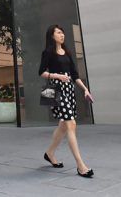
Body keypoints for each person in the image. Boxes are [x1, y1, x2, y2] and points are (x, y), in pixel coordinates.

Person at [39, 24, 94, 178]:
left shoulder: (67, 53)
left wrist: (85, 89)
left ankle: (49, 153)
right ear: (52, 36)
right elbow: (41, 72)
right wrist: (57, 76)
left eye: (62, 32)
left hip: (69, 90)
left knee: (63, 125)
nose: (62, 35)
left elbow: (74, 75)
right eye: (58, 32)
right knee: (71, 124)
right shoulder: (48, 52)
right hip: (56, 90)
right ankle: (81, 166)